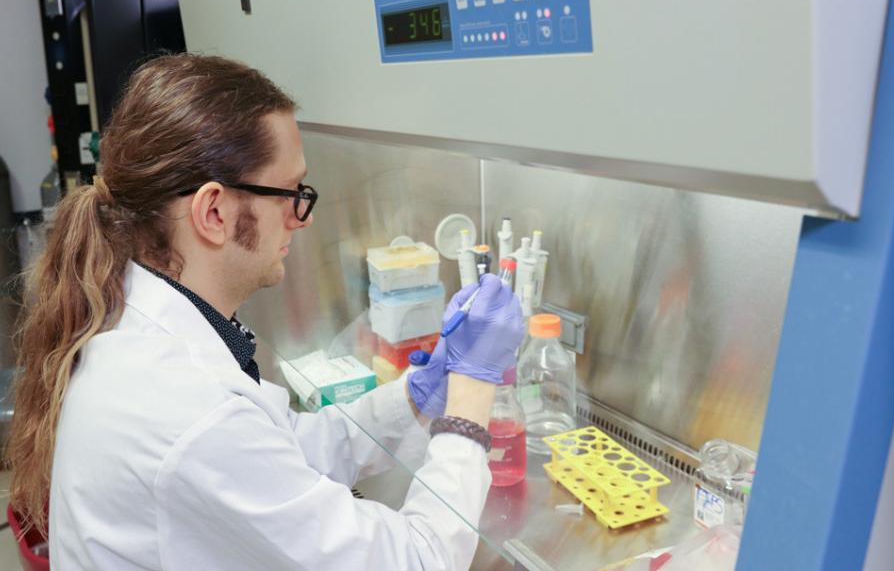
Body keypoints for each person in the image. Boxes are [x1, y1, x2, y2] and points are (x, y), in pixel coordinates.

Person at [6, 54, 524, 570]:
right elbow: (419, 559)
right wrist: (471, 396)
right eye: (290, 194)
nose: (302, 218)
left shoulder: (136, 322)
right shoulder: (190, 410)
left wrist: (417, 396)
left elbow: (288, 452)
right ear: (214, 213)